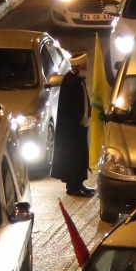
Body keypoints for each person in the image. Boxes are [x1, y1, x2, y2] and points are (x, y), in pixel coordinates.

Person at [53, 53, 93, 197]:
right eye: (84, 65)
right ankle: (73, 186)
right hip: (72, 129)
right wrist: (78, 119)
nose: (86, 67)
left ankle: (79, 183)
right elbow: (69, 106)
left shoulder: (78, 80)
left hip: (80, 126)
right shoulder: (70, 81)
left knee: (81, 155)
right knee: (73, 156)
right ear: (77, 66)